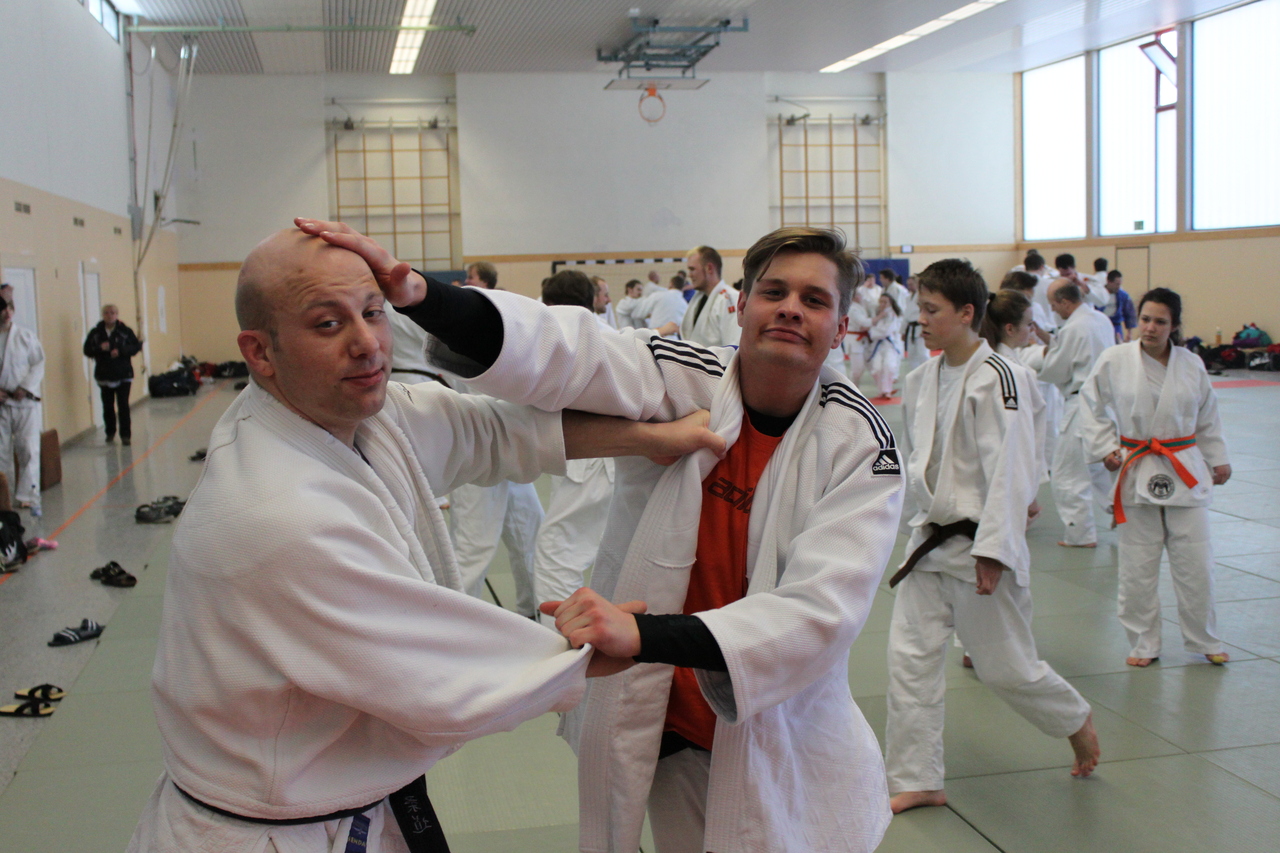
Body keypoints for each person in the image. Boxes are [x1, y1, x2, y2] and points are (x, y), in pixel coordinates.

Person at [309, 220, 904, 853]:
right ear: (743, 305)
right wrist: (424, 296)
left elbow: (819, 612)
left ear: (842, 326)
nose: (789, 308)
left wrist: (642, 635)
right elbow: (567, 351)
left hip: (772, 720)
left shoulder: (859, 446)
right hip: (665, 715)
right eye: (774, 292)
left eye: (814, 300)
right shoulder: (684, 378)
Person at [127, 225, 720, 853]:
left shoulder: (345, 415)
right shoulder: (278, 516)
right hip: (269, 831)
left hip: (338, 802)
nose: (366, 343)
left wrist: (650, 438)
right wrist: (605, 644)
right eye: (327, 324)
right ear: (259, 351)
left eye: (372, 313)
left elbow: (490, 431)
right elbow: (439, 676)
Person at [886, 260, 1098, 815]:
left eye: (931, 309)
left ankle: (1074, 718)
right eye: (919, 306)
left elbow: (1012, 467)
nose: (920, 318)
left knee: (1007, 669)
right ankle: (918, 777)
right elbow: (921, 462)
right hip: (929, 543)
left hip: (980, 544)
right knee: (909, 661)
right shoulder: (921, 378)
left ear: (966, 313)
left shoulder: (1002, 377)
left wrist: (995, 550)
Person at [1078, 288, 1232, 668]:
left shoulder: (1191, 364)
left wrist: (1218, 458)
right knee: (1137, 564)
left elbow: (1208, 415)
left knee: (1197, 563)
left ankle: (1205, 638)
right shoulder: (1115, 359)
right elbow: (1091, 404)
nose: (1150, 327)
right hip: (1136, 465)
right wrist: (1105, 447)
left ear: (1174, 326)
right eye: (1145, 319)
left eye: (1160, 321)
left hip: (1184, 465)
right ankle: (1143, 643)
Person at [532, 270, 617, 626]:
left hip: (593, 459)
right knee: (606, 551)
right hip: (616, 458)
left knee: (557, 552)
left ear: (550, 305)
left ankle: (558, 643)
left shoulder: (564, 337)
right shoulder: (610, 333)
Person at [1037, 278, 1117, 547]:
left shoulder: (1073, 328)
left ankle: (1080, 534)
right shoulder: (1100, 320)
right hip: (1108, 405)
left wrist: (1037, 357)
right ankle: (1121, 512)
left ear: (1065, 302)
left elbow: (1056, 369)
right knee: (1099, 470)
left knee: (1068, 474)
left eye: (1054, 304)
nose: (1053, 309)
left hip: (1082, 405)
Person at [0, 296, 44, 517]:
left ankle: (27, 495)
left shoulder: (25, 336)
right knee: (1, 451)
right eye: (3, 309)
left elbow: (38, 364)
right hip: (1, 403)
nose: (7, 313)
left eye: (10, 308)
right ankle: (3, 495)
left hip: (24, 402)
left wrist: (25, 387)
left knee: (28, 449)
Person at [82, 303, 142, 446]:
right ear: (103, 315)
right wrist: (99, 348)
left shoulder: (125, 331)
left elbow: (135, 347)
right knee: (108, 406)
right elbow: (87, 350)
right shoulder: (96, 332)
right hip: (104, 374)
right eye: (107, 313)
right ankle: (110, 432)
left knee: (123, 405)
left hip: (123, 374)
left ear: (117, 314)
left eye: (113, 312)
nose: (110, 315)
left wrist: (120, 351)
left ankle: (125, 435)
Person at [679, 245, 740, 347]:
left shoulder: (729, 299)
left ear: (709, 268)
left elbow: (733, 346)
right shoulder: (699, 298)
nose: (689, 275)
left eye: (692, 269)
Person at [866, 292, 903, 399]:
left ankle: (887, 391)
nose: (882, 304)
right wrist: (875, 331)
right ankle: (881, 390)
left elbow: (887, 331)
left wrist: (875, 331)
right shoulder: (876, 313)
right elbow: (871, 330)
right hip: (877, 345)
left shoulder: (893, 314)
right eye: (881, 301)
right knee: (876, 368)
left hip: (890, 345)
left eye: (885, 302)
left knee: (889, 366)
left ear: (890, 303)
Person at [1104, 270, 1137, 343]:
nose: (1118, 287)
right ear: (1109, 282)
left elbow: (1129, 313)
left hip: (1116, 325)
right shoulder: (1098, 294)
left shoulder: (1123, 296)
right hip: (1101, 325)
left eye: (1119, 284)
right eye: (1117, 284)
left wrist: (1129, 333)